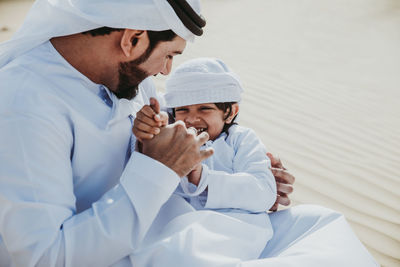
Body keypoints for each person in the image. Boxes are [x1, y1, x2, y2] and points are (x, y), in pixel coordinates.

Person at [0, 0, 378, 266]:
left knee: (322, 227)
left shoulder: (129, 78)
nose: (165, 73)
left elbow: (182, 126)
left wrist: (239, 173)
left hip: (187, 223)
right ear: (131, 39)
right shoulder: (25, 106)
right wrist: (160, 169)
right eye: (170, 56)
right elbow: (44, 258)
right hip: (135, 251)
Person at [132, 57, 277, 259]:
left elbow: (265, 192)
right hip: (173, 224)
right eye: (183, 109)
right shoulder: (171, 136)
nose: (191, 119)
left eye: (204, 109)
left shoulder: (241, 140)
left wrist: (203, 177)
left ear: (230, 112)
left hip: (231, 229)